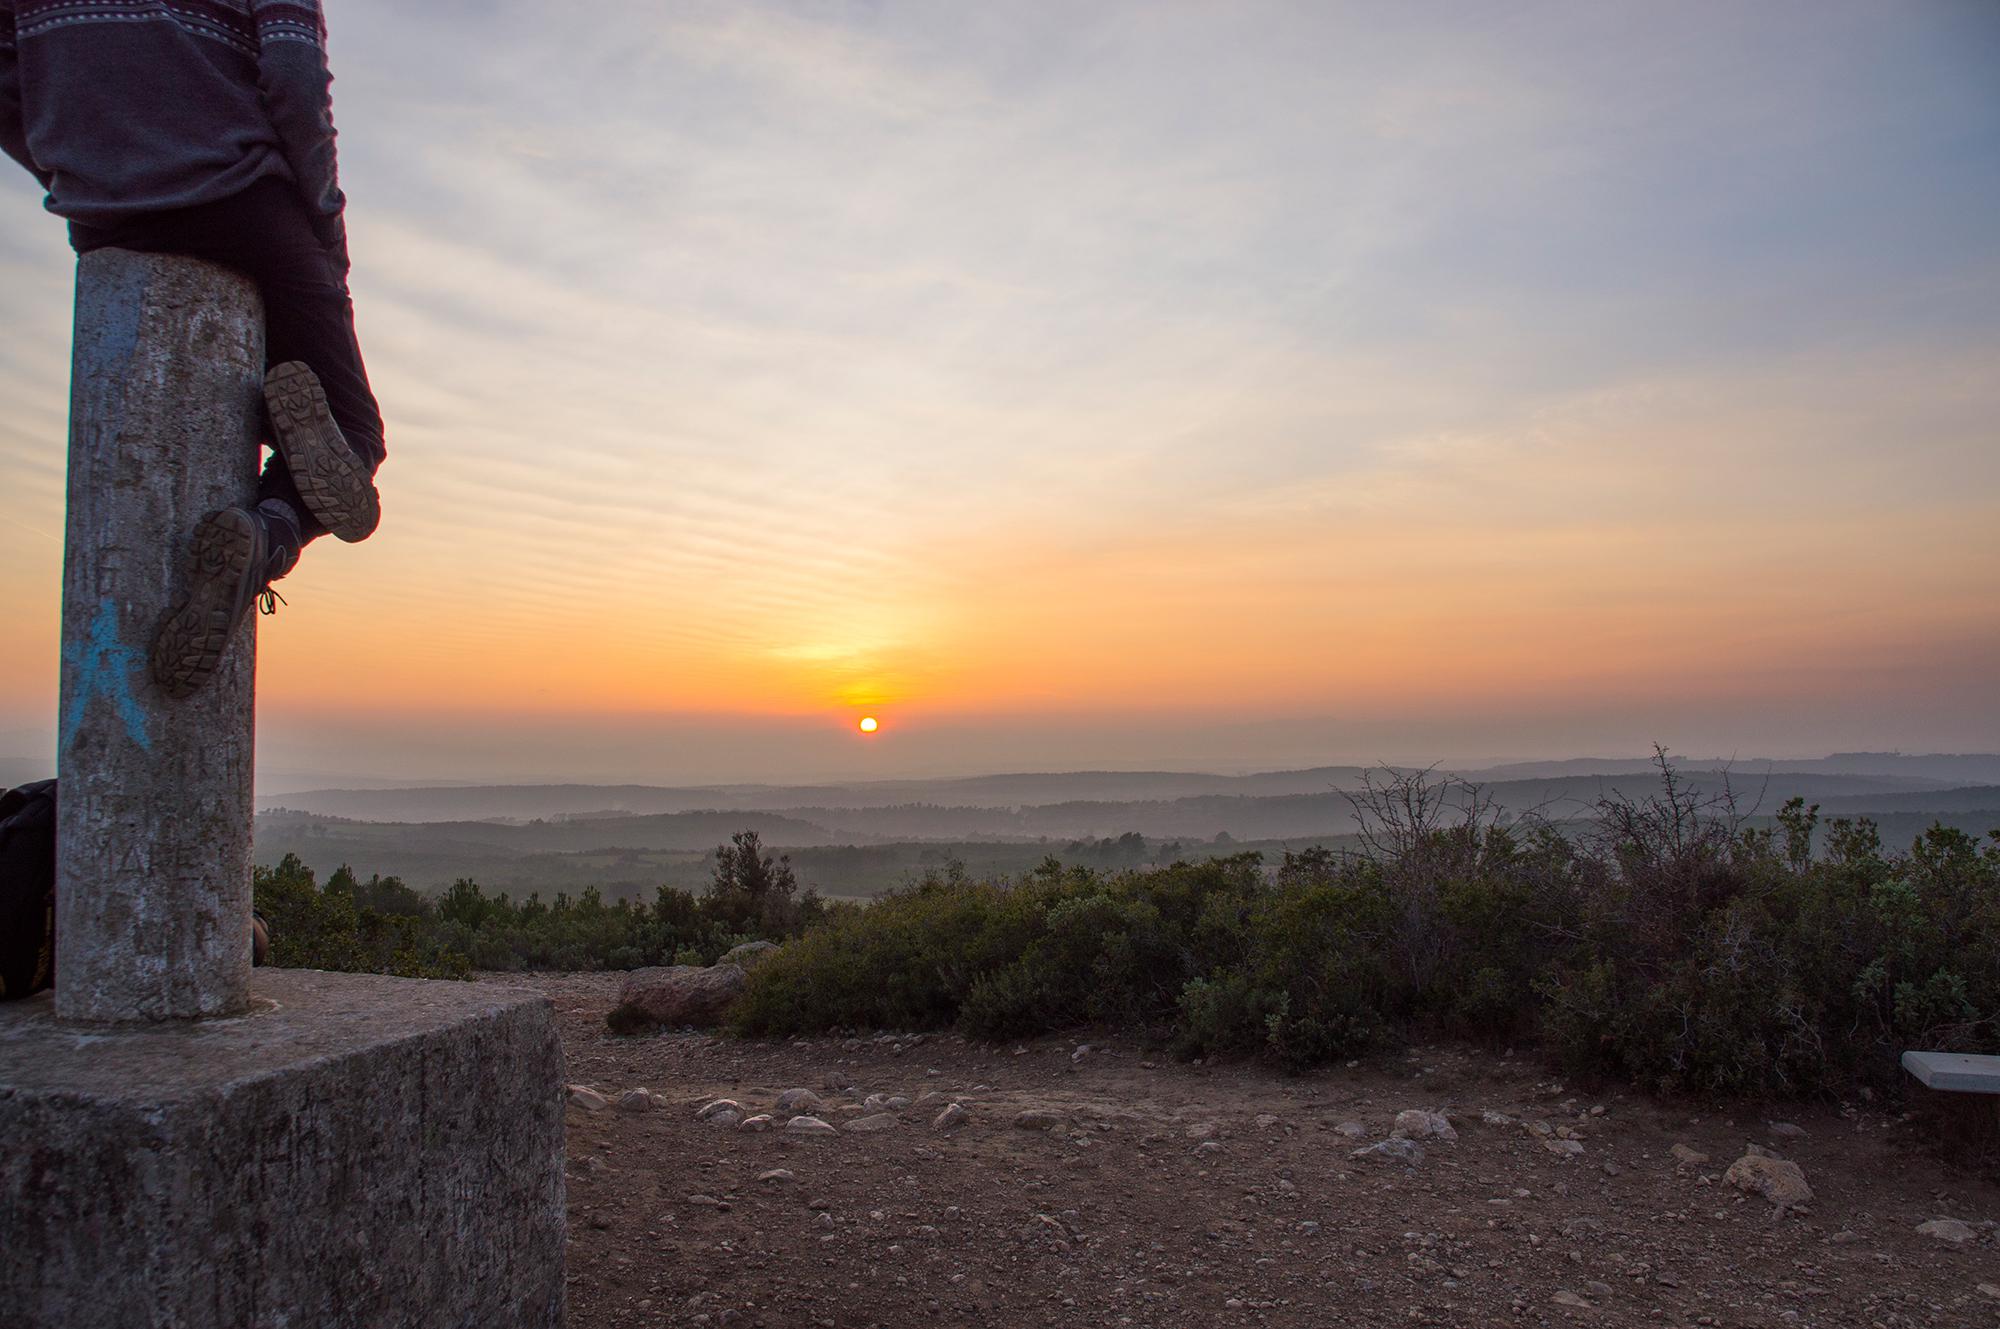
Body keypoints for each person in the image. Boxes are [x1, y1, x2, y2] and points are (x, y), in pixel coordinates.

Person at [0, 0, 383, 698]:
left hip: (105, 217)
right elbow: (296, 80)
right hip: (243, 200)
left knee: (295, 429)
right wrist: (324, 221)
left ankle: (274, 500)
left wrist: (76, 169)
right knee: (353, 433)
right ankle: (268, 533)